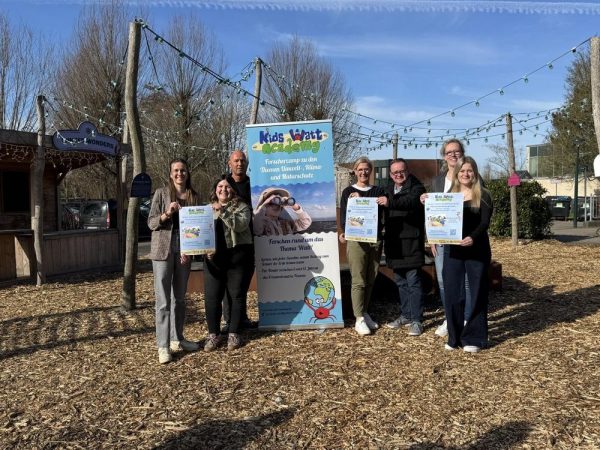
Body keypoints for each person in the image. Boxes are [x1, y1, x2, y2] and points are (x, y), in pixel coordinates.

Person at [148, 158, 200, 364]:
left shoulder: (194, 196)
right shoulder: (161, 193)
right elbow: (151, 222)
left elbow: (198, 226)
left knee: (179, 298)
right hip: (163, 250)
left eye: (183, 170)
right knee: (163, 300)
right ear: (171, 174)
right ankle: (163, 345)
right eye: (176, 170)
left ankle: (177, 339)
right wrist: (166, 214)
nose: (180, 174)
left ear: (188, 173)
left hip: (184, 250)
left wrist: (191, 249)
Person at [420, 138, 471, 338]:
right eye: (449, 152)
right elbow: (432, 211)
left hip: (462, 238)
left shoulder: (470, 175)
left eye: (457, 151)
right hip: (441, 239)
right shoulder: (437, 181)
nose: (453, 155)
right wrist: (430, 236)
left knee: (465, 281)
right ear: (444, 156)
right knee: (443, 280)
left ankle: (465, 318)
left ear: (462, 153)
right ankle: (450, 318)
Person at [443, 156, 493, 353]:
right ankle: (454, 337)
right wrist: (427, 201)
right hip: (453, 251)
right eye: (462, 171)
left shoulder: (484, 194)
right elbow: (438, 219)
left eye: (469, 170)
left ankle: (475, 337)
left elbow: (485, 222)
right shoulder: (449, 196)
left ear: (475, 173)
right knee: (452, 294)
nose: (465, 174)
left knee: (478, 292)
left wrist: (473, 237)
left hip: (477, 249)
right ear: (457, 174)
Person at [203, 176, 254, 351]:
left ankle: (234, 333)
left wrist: (223, 211)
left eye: (227, 186)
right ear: (215, 189)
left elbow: (240, 225)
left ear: (233, 190)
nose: (223, 189)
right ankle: (214, 334)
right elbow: (198, 234)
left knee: (236, 296)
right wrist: (201, 251)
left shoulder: (242, 207)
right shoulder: (207, 209)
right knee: (212, 297)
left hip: (236, 259)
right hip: (213, 260)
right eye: (220, 186)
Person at [339, 157, 387, 336]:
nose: (363, 172)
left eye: (366, 169)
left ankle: (365, 311)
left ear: (371, 171)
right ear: (355, 171)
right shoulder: (348, 192)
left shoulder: (378, 191)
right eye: (360, 169)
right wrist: (345, 231)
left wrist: (384, 201)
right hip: (356, 239)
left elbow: (382, 213)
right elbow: (345, 216)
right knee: (358, 279)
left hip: (375, 239)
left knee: (371, 277)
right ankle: (358, 318)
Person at [382, 159, 426, 336]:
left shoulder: (417, 188)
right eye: (395, 172)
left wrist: (388, 202)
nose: (398, 175)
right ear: (390, 174)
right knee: (400, 282)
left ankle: (417, 319)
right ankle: (406, 315)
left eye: (401, 171)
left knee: (413, 282)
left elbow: (409, 202)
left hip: (411, 243)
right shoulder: (387, 189)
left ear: (407, 171)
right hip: (394, 244)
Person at [222, 150, 255, 332]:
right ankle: (229, 320)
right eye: (236, 161)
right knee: (229, 284)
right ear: (230, 163)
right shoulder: (224, 184)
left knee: (243, 282)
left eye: (242, 161)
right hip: (228, 242)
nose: (240, 164)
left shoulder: (253, 184)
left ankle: (241, 318)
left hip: (249, 239)